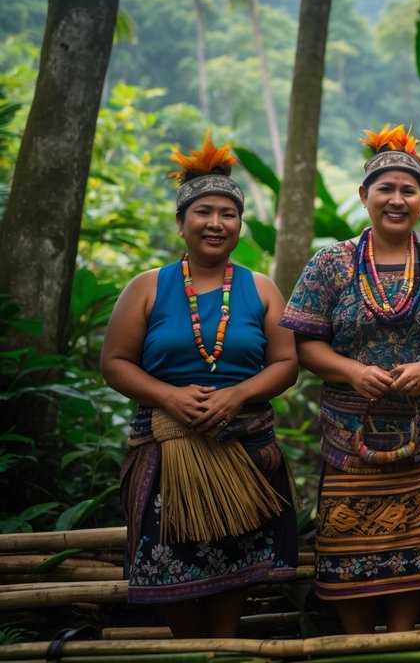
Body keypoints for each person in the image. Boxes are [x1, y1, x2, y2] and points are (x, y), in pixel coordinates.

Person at [281, 125, 420, 633]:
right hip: (347, 436)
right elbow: (305, 342)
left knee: (418, 548)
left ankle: (399, 639)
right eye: (386, 189)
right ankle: (357, 641)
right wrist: (352, 371)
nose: (396, 200)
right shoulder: (329, 264)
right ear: (363, 196)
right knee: (346, 545)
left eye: (408, 190)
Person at [102, 133, 298, 638]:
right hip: (167, 455)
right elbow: (116, 362)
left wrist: (238, 395)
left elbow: (286, 364)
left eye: (228, 214)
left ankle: (226, 645)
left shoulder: (261, 288)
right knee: (173, 572)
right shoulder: (146, 287)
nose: (216, 223)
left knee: (234, 568)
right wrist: (168, 396)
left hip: (244, 450)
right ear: (181, 222)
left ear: (239, 224)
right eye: (203, 212)